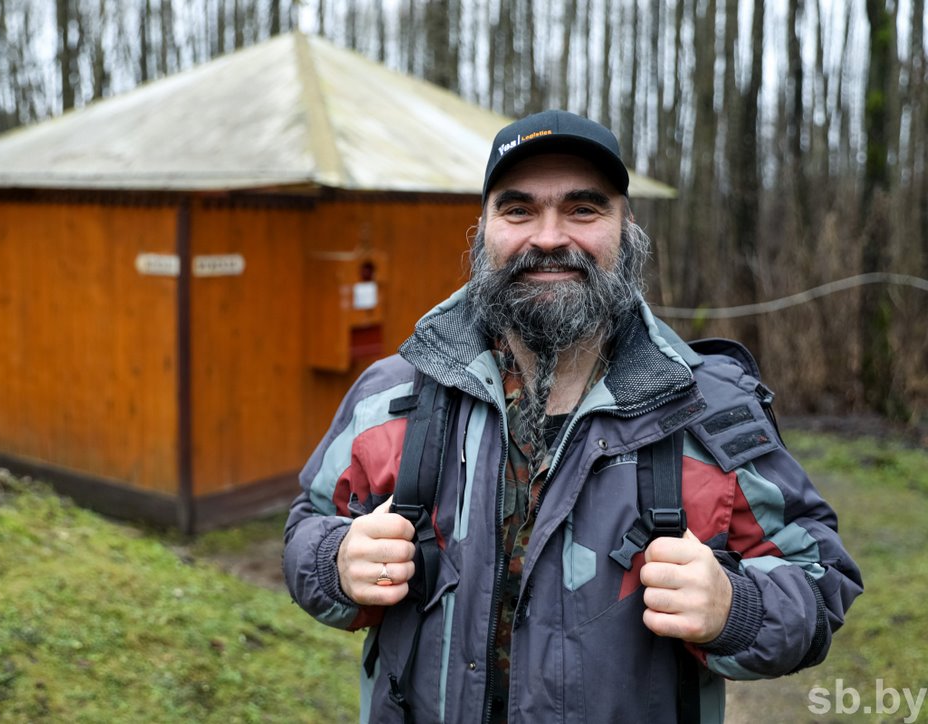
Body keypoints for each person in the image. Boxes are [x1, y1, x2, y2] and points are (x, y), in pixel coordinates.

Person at [283, 109, 863, 723]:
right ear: (483, 232)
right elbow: (307, 527)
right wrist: (335, 563)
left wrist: (735, 609)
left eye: (583, 209)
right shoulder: (390, 398)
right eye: (519, 210)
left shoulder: (708, 410)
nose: (549, 237)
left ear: (626, 229)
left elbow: (820, 577)